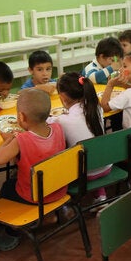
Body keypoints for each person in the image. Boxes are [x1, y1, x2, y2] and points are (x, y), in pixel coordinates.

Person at [0, 89, 67, 251]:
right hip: (59, 190)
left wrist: (9, 139)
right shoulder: (58, 128)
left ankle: (11, 229)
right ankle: (50, 214)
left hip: (34, 196)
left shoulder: (21, 140)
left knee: (7, 187)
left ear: (21, 117)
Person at [51, 72, 111, 204]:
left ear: (62, 97)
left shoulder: (62, 120)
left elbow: (43, 122)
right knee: (90, 149)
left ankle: (62, 204)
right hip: (107, 165)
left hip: (85, 173)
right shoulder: (96, 108)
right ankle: (100, 195)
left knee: (58, 156)